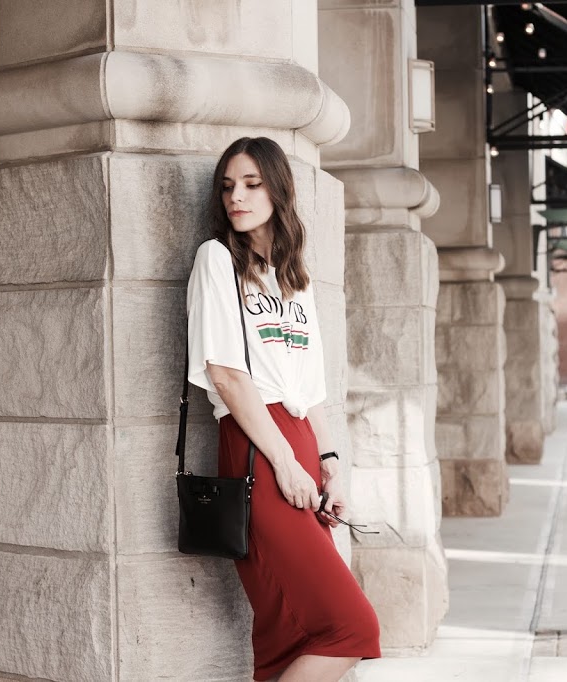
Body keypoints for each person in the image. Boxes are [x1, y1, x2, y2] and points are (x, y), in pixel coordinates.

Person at [186, 137, 381, 682]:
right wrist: (285, 462)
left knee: (288, 633)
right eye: (228, 186)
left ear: (279, 190)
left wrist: (332, 464)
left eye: (251, 184)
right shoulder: (217, 259)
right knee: (352, 627)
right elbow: (225, 374)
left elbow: (312, 387)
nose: (236, 197)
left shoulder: (295, 276)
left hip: (299, 441)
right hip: (256, 445)